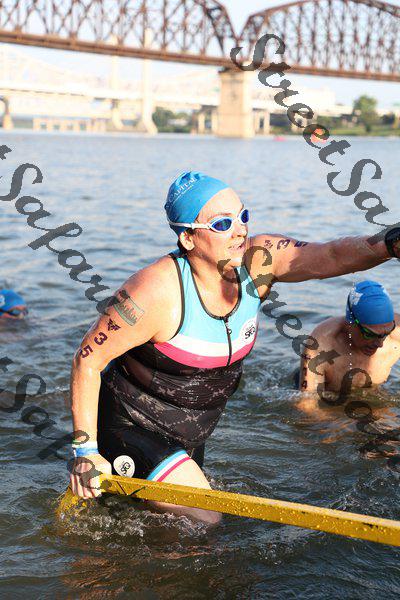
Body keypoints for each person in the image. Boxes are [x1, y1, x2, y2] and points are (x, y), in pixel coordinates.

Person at [69, 171, 400, 522]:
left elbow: (332, 255)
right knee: (208, 518)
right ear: (188, 238)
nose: (240, 230)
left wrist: (389, 243)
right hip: (131, 426)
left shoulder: (259, 262)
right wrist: (85, 452)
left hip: (190, 435)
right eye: (222, 223)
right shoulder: (153, 292)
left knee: (173, 534)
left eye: (243, 216)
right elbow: (87, 361)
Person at [297, 281, 400, 413]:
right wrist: (343, 424)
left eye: (386, 334)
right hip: (330, 396)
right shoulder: (321, 343)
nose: (380, 344)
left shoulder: (397, 333)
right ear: (351, 322)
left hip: (371, 395)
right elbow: (306, 406)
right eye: (369, 334)